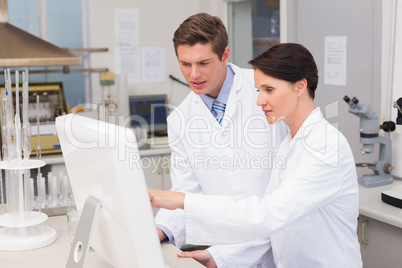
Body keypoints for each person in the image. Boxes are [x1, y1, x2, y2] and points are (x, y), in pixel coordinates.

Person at [149, 43, 363, 267]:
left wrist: (182, 200)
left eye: (268, 90)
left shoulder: (325, 146)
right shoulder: (289, 144)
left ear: (299, 87)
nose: (259, 100)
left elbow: (268, 214)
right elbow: (272, 220)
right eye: (258, 90)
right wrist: (220, 257)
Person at [154, 13, 288, 268]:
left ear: (225, 55)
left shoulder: (266, 92)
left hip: (280, 247)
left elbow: (286, 192)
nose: (193, 74)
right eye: (185, 64)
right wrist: (159, 230)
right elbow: (186, 193)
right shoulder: (181, 119)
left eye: (203, 63)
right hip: (226, 250)